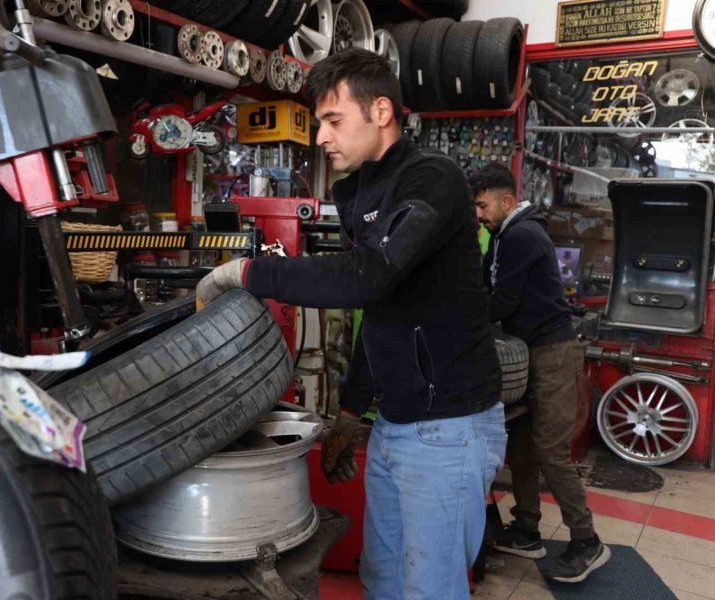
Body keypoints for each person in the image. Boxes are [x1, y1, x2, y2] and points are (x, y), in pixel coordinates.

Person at [196, 48, 506, 600]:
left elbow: (369, 277)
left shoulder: (430, 179)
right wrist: (347, 414)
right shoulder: (363, 193)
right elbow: (382, 314)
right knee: (383, 579)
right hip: (395, 426)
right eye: (320, 123)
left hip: (447, 429)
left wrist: (249, 271)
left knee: (429, 589)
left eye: (333, 120)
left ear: (381, 111)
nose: (321, 137)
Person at [471, 163, 610, 583]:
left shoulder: (522, 236)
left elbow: (502, 302)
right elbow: (484, 290)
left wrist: (459, 325)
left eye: (482, 204)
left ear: (507, 201)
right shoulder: (500, 238)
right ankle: (528, 527)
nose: (478, 213)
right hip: (529, 351)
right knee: (524, 444)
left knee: (551, 449)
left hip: (551, 352)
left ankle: (587, 540)